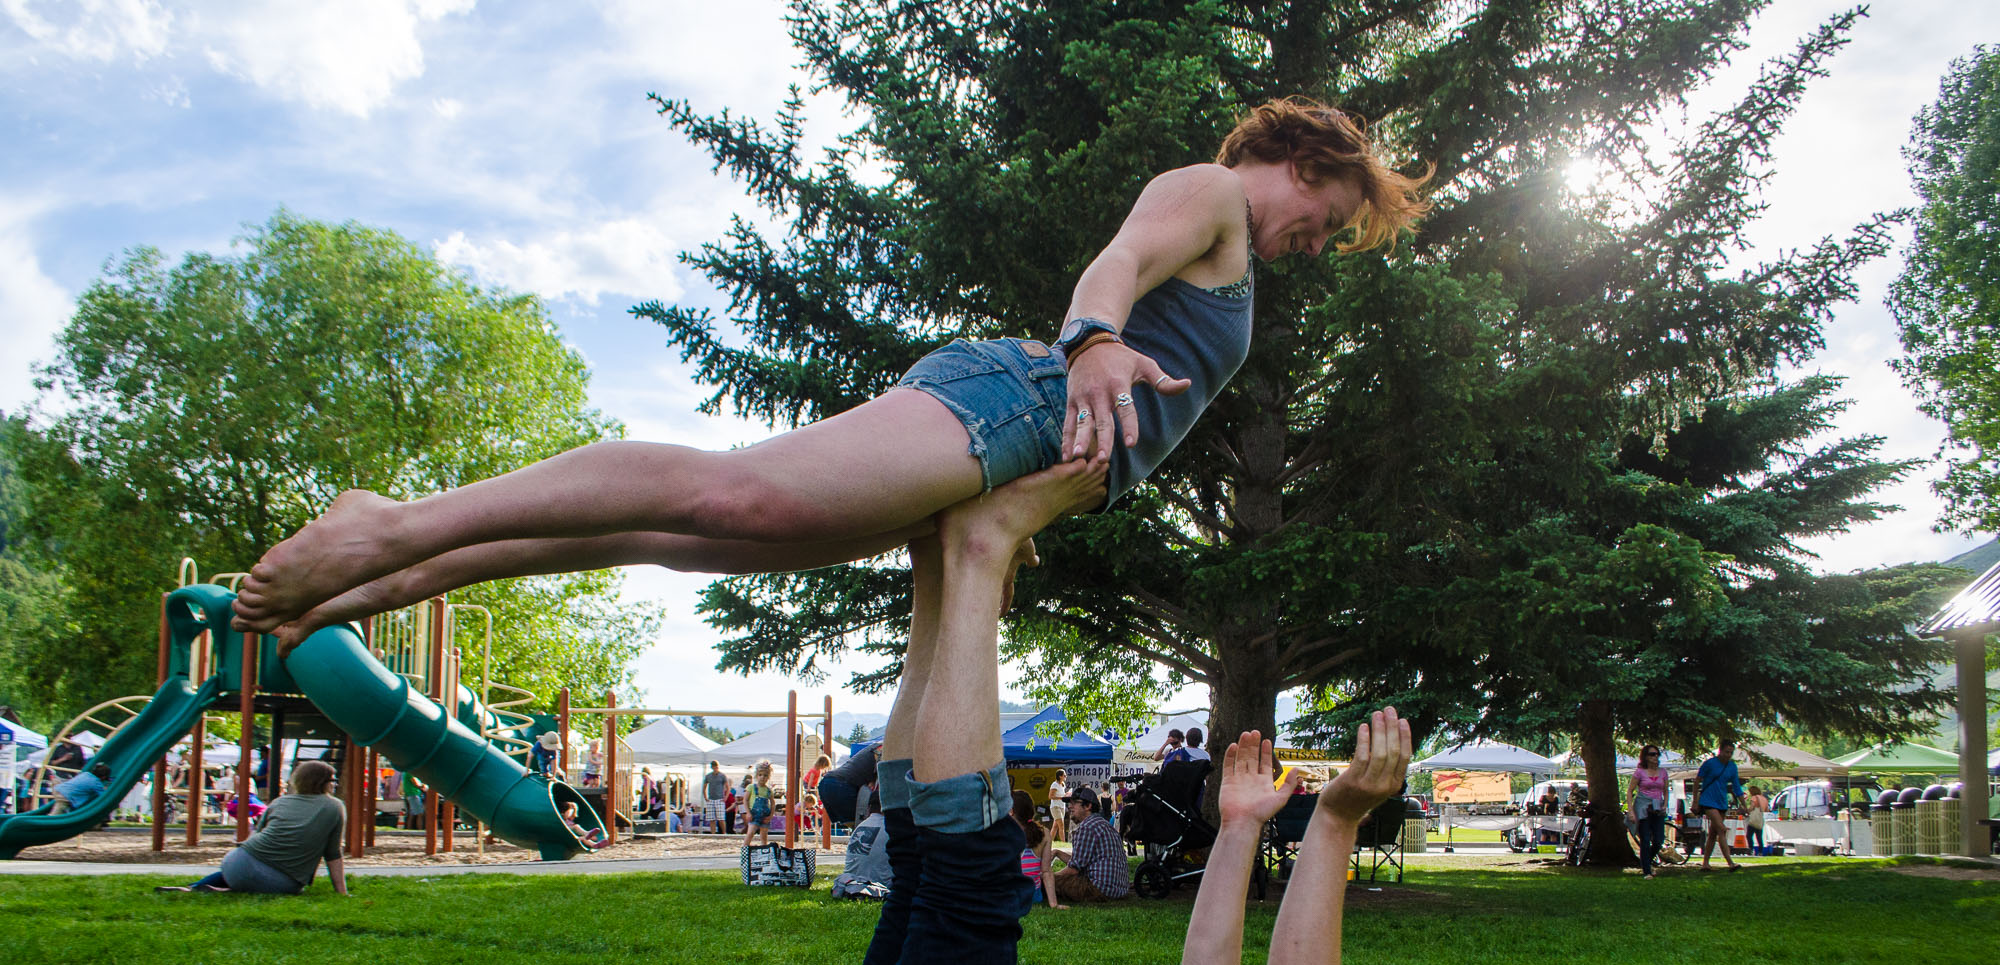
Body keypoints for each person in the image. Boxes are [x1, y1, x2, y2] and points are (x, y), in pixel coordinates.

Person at [231, 100, 1431, 646]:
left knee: (689, 541)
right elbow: (1114, 263)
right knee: (733, 495)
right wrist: (1092, 342)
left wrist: (1021, 510)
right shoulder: (1211, 192)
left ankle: (399, 575)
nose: (1314, 242)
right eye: (1328, 217)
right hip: (1009, 399)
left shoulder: (1234, 241)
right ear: (1299, 158)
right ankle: (393, 525)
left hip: (1008, 454)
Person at [804, 474, 1469, 965]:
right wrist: (1237, 830)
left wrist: (1335, 821)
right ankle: (937, 571)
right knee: (917, 872)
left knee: (968, 883)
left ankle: (982, 550)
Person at [155, 760, 348, 895]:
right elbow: (333, 853)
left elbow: (259, 833)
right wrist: (341, 892)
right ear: (322, 783)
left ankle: (194, 888)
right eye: (333, 780)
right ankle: (223, 892)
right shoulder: (334, 806)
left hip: (236, 860)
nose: (335, 785)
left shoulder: (280, 802)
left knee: (245, 872)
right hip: (277, 878)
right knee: (287, 888)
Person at [1049, 785, 1131, 903]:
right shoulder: (1102, 824)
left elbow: (1074, 869)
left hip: (1100, 889)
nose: (1069, 806)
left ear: (1088, 806)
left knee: (1050, 882)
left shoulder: (1087, 827)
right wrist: (1057, 852)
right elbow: (1081, 861)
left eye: (1074, 803)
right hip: (1118, 889)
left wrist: (1048, 878)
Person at [1696, 740, 1746, 870]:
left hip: (1722, 802)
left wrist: (1744, 804)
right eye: (1726, 752)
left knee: (1713, 833)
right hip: (1708, 801)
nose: (1728, 755)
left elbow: (1737, 787)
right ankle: (1730, 862)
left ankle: (1705, 863)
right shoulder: (1709, 764)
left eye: (1731, 753)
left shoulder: (1732, 767)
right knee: (1722, 829)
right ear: (1720, 750)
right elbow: (1697, 780)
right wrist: (1695, 801)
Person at [1011, 789, 1061, 909]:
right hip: (1034, 896)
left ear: (1011, 811)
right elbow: (1046, 871)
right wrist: (1053, 904)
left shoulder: (1005, 834)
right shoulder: (1045, 833)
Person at [816, 743, 880, 828]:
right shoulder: (882, 749)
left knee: (853, 825)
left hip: (826, 783)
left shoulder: (873, 749)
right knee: (859, 825)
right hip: (841, 784)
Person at [1629, 745, 1670, 878]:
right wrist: (1631, 811)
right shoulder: (1640, 772)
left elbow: (1665, 790)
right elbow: (1630, 791)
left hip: (1658, 808)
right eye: (1652, 754)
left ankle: (1646, 860)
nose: (1655, 757)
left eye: (1657, 754)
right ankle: (1647, 871)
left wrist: (1665, 804)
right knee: (1645, 839)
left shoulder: (1663, 772)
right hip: (1643, 808)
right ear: (1646, 757)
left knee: (1659, 840)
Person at [744, 761, 777, 847]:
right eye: (760, 775)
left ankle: (764, 850)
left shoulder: (769, 790)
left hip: (765, 815)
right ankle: (745, 848)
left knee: (764, 835)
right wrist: (748, 812)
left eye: (765, 775)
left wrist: (770, 816)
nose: (762, 777)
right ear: (756, 776)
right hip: (754, 815)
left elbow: (773, 804)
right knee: (751, 832)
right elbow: (745, 800)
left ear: (768, 777)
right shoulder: (751, 787)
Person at [703, 760, 730, 834]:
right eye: (714, 767)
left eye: (716, 767)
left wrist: (725, 797)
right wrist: (705, 797)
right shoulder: (708, 776)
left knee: (721, 818)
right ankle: (713, 833)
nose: (715, 768)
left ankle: (724, 833)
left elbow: (728, 787)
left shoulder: (722, 775)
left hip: (720, 799)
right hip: (711, 799)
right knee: (712, 818)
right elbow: (704, 787)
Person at [1744, 784, 1768, 854]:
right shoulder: (1764, 798)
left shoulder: (1754, 797)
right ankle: (1760, 851)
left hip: (1753, 820)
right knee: (1759, 837)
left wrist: (1747, 811)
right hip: (1760, 819)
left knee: (1749, 835)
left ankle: (1751, 849)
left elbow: (1752, 807)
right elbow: (1766, 809)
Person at [1047, 771, 1069, 845]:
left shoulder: (1063, 784)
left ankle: (1049, 843)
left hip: (1062, 806)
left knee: (1055, 826)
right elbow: (1050, 796)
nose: (1066, 777)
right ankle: (1064, 843)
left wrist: (1066, 795)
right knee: (1061, 825)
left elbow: (1062, 795)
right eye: (1064, 775)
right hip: (1055, 807)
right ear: (1060, 776)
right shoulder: (1054, 784)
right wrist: (1061, 798)